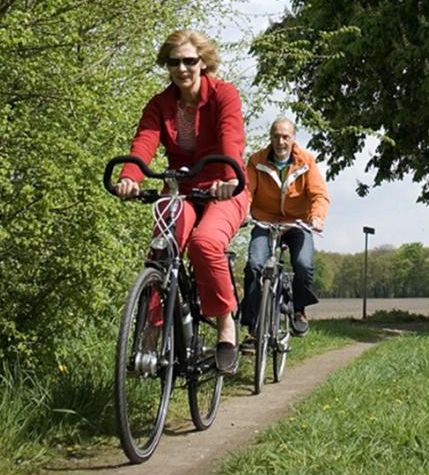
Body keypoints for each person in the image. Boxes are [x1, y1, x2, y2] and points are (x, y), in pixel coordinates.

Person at [114, 29, 248, 375]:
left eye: (190, 61)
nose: (182, 68)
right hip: (180, 188)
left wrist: (230, 178)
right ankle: (149, 339)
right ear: (167, 65)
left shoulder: (223, 95)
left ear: (203, 62)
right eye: (175, 62)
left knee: (205, 244)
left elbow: (230, 135)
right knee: (162, 251)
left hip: (224, 187)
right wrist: (131, 176)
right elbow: (145, 140)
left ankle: (226, 326)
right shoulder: (160, 104)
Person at [240, 117, 329, 351]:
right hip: (265, 222)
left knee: (303, 264)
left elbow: (319, 194)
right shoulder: (257, 161)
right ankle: (252, 328)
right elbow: (247, 192)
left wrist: (317, 217)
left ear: (293, 138)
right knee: (254, 265)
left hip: (297, 223)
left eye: (286, 137)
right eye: (277, 136)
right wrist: (242, 212)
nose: (281, 142)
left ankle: (299, 310)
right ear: (271, 138)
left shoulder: (306, 161)